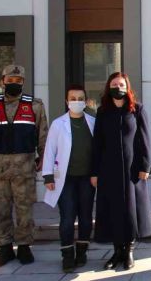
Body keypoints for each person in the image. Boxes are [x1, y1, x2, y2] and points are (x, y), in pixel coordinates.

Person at [0, 64, 48, 268]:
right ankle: (4, 248)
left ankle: (24, 246)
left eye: (18, 80)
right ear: (3, 81)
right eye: (10, 80)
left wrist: (44, 159)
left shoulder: (35, 106)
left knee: (24, 210)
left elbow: (43, 137)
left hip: (24, 169)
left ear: (23, 82)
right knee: (0, 210)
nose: (14, 83)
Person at [91, 72, 151, 270]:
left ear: (127, 87)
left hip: (132, 170)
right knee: (112, 210)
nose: (117, 88)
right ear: (108, 87)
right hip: (108, 170)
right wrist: (94, 172)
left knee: (130, 211)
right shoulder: (103, 111)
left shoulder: (137, 109)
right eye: (114, 84)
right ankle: (117, 251)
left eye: (121, 84)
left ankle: (129, 250)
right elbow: (97, 143)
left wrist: (145, 165)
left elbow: (144, 139)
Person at [42, 84, 96, 272]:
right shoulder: (58, 124)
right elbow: (50, 150)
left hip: (87, 179)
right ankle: (67, 255)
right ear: (67, 101)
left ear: (86, 101)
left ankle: (82, 252)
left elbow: (98, 151)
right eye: (73, 99)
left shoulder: (93, 122)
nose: (76, 102)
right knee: (67, 217)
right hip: (65, 180)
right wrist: (48, 176)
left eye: (80, 99)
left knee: (86, 218)